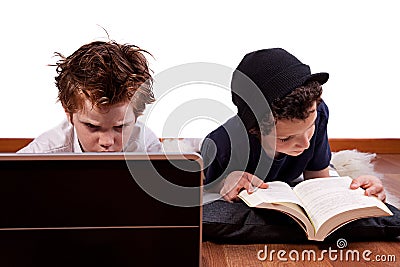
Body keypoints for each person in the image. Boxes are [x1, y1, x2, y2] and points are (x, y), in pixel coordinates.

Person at [201, 48, 399, 243]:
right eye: (286, 139)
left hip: (295, 182)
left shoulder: (318, 113)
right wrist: (229, 179)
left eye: (309, 127)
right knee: (210, 215)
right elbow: (209, 188)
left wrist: (358, 194)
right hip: (254, 192)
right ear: (253, 130)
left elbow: (320, 179)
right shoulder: (222, 144)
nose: (305, 143)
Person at [18, 40, 161, 153]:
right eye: (92, 126)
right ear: (69, 114)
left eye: (120, 126)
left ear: (137, 116)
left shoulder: (147, 148)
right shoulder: (43, 153)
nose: (107, 142)